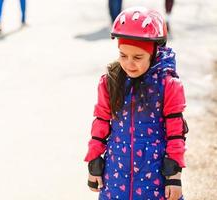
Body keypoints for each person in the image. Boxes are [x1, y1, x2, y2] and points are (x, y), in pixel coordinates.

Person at [85, 7, 188, 200]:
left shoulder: (167, 85)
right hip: (116, 175)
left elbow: (176, 131)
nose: (129, 63)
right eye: (123, 55)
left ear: (154, 53)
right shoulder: (110, 82)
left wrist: (174, 174)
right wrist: (94, 162)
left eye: (138, 57)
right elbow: (100, 122)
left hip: (154, 175)